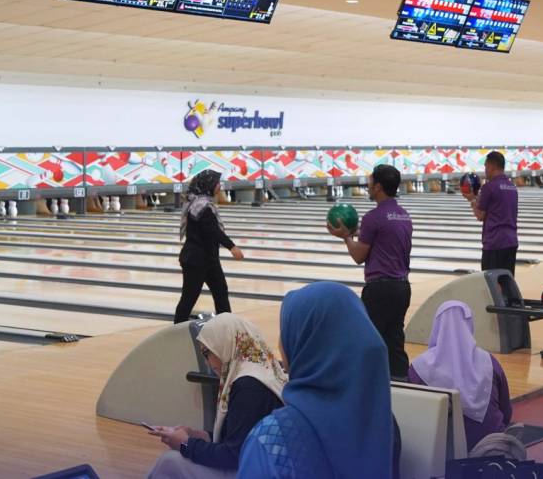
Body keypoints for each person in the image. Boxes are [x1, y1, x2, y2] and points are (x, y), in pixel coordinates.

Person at [239, 282, 394, 479]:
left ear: (306, 342)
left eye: (286, 331)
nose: (280, 343)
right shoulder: (384, 423)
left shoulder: (272, 437)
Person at [147, 314, 286, 478]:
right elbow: (237, 437)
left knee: (170, 461)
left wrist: (184, 444)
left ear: (226, 345)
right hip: (263, 467)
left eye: (207, 353)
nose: (207, 363)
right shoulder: (262, 372)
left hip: (253, 472)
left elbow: (232, 456)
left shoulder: (249, 386)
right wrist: (195, 434)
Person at [328, 164, 412, 379]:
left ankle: (364, 384)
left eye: (370, 182)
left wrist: (346, 237)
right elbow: (385, 239)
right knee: (394, 340)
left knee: (365, 339)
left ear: (379, 187)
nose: (367, 186)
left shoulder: (373, 217)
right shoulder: (404, 215)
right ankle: (404, 385)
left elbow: (359, 256)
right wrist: (361, 232)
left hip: (380, 290)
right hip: (402, 288)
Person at [407, 301, 512, 450]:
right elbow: (506, 411)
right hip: (492, 448)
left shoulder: (419, 367)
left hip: (441, 452)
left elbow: (413, 416)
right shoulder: (489, 361)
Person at [174, 170, 245, 324]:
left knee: (221, 292)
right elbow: (212, 230)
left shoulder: (199, 203)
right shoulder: (202, 207)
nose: (219, 186)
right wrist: (232, 247)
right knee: (189, 298)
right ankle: (176, 329)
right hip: (196, 260)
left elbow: (212, 231)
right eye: (217, 183)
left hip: (208, 258)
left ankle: (226, 326)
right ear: (208, 185)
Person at [469, 151, 519, 275]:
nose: (485, 170)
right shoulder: (512, 187)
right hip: (511, 242)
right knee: (507, 281)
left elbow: (480, 215)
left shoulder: (488, 187)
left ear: (492, 166)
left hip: (494, 243)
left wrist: (471, 199)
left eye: (486, 166)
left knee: (491, 282)